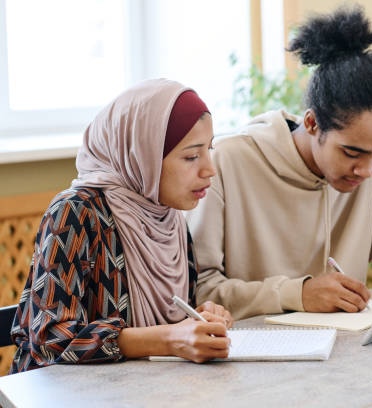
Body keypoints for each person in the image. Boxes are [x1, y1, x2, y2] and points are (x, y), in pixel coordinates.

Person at [186, 6, 372, 322]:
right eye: (352, 153)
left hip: (342, 356)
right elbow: (197, 291)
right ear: (312, 123)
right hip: (245, 356)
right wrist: (297, 294)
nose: (367, 170)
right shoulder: (226, 162)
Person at [10, 79, 234, 374]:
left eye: (209, 149)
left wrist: (200, 318)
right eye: (191, 156)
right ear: (142, 155)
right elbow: (51, 339)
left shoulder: (168, 218)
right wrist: (168, 338)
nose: (209, 169)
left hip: (148, 388)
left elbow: (176, 320)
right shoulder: (75, 212)